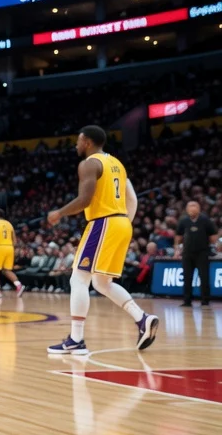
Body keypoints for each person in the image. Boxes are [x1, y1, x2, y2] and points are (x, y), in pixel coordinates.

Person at [46, 125, 160, 354]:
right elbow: (132, 198)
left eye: (78, 140)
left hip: (103, 223)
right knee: (101, 283)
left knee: (78, 279)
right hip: (121, 223)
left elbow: (84, 200)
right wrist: (124, 222)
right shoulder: (117, 164)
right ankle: (142, 319)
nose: (76, 145)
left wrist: (59, 213)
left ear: (87, 142)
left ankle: (76, 340)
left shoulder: (89, 163)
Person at [174, 200, 216, 307]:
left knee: (204, 277)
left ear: (199, 208)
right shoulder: (183, 221)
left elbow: (213, 236)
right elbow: (178, 237)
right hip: (187, 253)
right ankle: (187, 301)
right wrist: (177, 250)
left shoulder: (205, 220)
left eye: (194, 206)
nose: (192, 208)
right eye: (190, 206)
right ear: (187, 209)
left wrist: (213, 246)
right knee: (187, 277)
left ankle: (205, 300)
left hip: (202, 253)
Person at [0, 208, 25, 301]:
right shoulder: (9, 224)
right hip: (10, 247)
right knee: (6, 270)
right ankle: (19, 285)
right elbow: (15, 241)